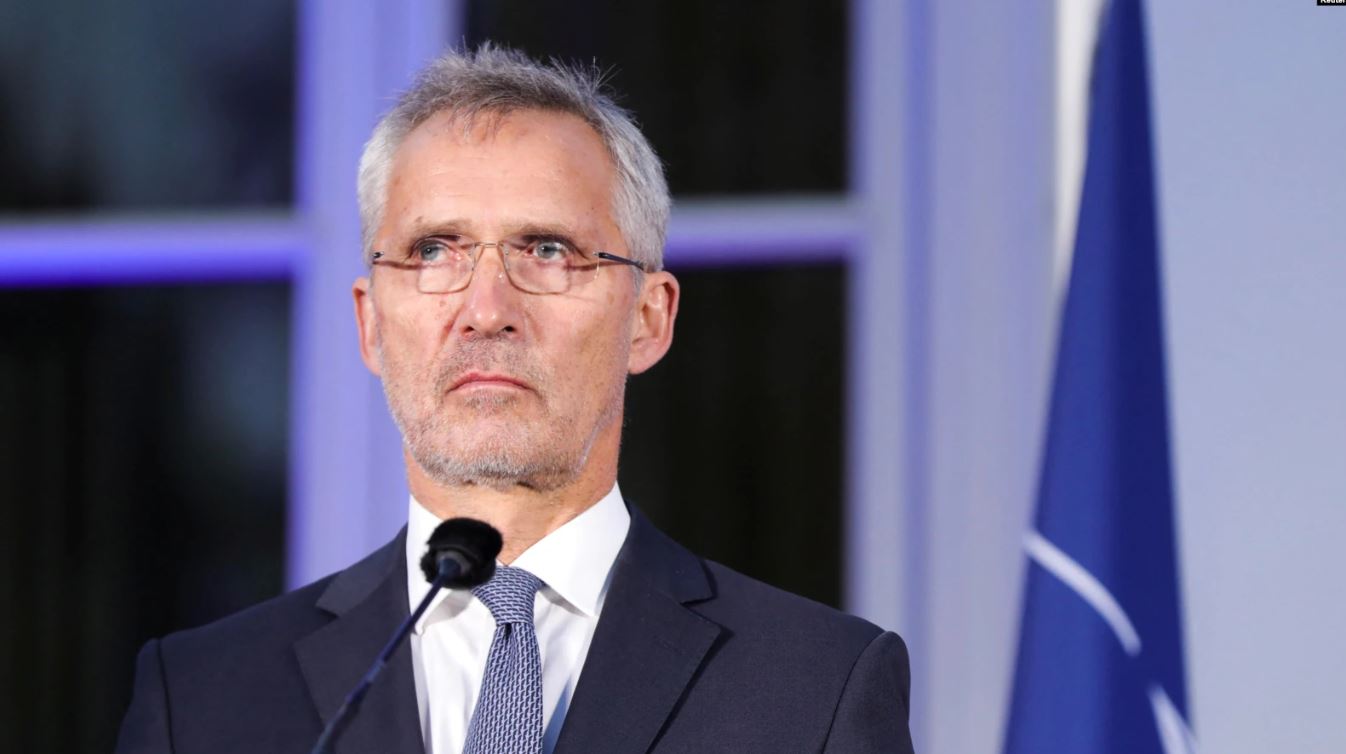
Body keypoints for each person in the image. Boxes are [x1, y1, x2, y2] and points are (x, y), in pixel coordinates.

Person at [115, 45, 915, 754]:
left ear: (649, 318)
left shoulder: (817, 689)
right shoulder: (202, 700)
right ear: (370, 324)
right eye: (434, 250)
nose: (486, 308)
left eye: (548, 250)